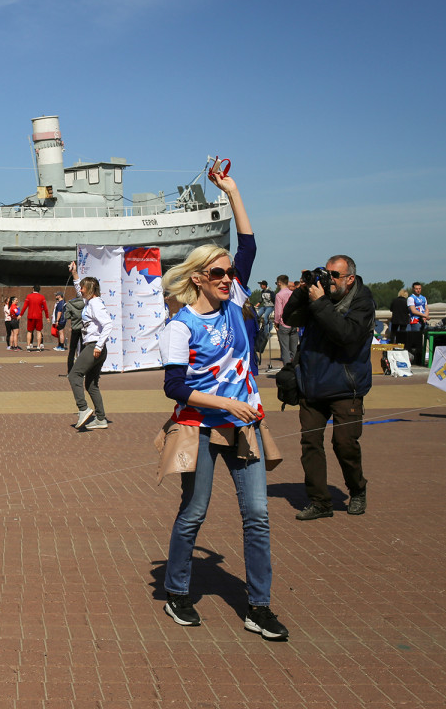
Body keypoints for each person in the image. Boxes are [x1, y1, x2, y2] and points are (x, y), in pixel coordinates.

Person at [157, 167, 289, 641]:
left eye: (229, 273)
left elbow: (248, 246)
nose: (227, 278)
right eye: (218, 273)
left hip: (244, 427)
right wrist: (224, 404)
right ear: (198, 278)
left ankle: (259, 606)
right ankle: (177, 593)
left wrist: (233, 193)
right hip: (199, 425)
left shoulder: (235, 300)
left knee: (257, 515)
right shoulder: (181, 326)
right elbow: (173, 388)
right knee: (194, 512)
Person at [283, 255, 374, 521]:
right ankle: (320, 501)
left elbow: (345, 334)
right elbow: (291, 318)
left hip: (347, 386)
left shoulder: (362, 302)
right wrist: (302, 292)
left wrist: (320, 302)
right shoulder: (318, 298)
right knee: (310, 443)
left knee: (344, 443)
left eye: (336, 276)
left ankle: (357, 489)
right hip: (312, 385)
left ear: (350, 278)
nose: (330, 280)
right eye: (327, 274)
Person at [67, 261, 112, 431]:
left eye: (85, 288)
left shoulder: (95, 304)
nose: (82, 290)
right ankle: (100, 418)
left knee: (74, 375)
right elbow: (79, 290)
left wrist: (99, 346)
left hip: (94, 346)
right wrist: (75, 274)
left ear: (91, 289)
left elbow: (108, 324)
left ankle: (83, 408)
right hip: (95, 346)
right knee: (91, 384)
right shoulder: (90, 302)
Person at [272, 275, 297, 369]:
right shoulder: (292, 293)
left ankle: (287, 369)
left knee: (285, 349)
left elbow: (278, 312)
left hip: (284, 323)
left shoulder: (279, 295)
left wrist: (276, 322)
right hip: (294, 323)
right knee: (294, 348)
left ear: (279, 283)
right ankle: (295, 367)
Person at [18, 286, 50, 351]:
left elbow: (24, 306)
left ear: (33, 289)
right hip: (39, 316)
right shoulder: (42, 297)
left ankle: (28, 346)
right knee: (39, 331)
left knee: (29, 331)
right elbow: (46, 308)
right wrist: (47, 317)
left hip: (30, 316)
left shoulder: (29, 296)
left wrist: (21, 315)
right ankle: (38, 346)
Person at [406, 281, 429, 366]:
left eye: (419, 289)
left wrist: (425, 316)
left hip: (423, 321)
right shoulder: (411, 298)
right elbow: (413, 310)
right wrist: (424, 315)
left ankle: (421, 358)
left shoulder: (423, 298)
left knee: (425, 340)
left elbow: (426, 308)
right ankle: (416, 360)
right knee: (416, 341)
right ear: (413, 289)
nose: (418, 290)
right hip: (415, 321)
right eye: (416, 289)